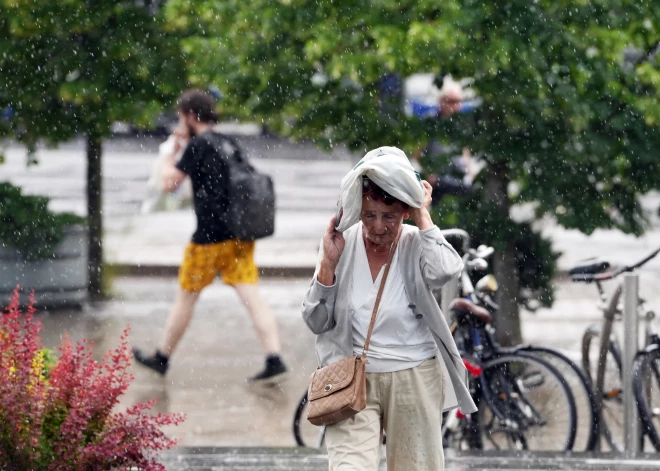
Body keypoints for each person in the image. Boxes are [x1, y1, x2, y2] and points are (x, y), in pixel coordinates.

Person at [302, 149, 477, 470]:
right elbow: (316, 320)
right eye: (369, 215)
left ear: (405, 213)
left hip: (414, 377)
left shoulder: (416, 243)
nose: (378, 227)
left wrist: (424, 215)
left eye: (390, 217)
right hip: (351, 381)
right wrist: (327, 265)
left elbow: (445, 271)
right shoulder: (340, 243)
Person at [133, 89, 287, 383]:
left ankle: (161, 358)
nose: (180, 121)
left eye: (181, 116)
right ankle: (274, 357)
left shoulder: (197, 146)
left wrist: (170, 154)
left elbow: (168, 184)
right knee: (253, 297)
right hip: (240, 235)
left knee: (185, 299)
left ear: (191, 116)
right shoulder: (228, 142)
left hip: (208, 239)